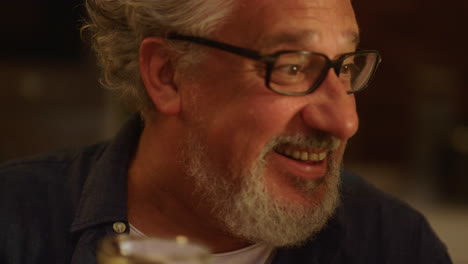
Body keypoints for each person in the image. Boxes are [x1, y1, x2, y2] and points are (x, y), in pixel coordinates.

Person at [0, 0, 452, 263]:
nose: (344, 121)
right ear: (168, 74)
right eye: (292, 67)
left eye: (346, 66)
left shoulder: (392, 243)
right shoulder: (15, 225)